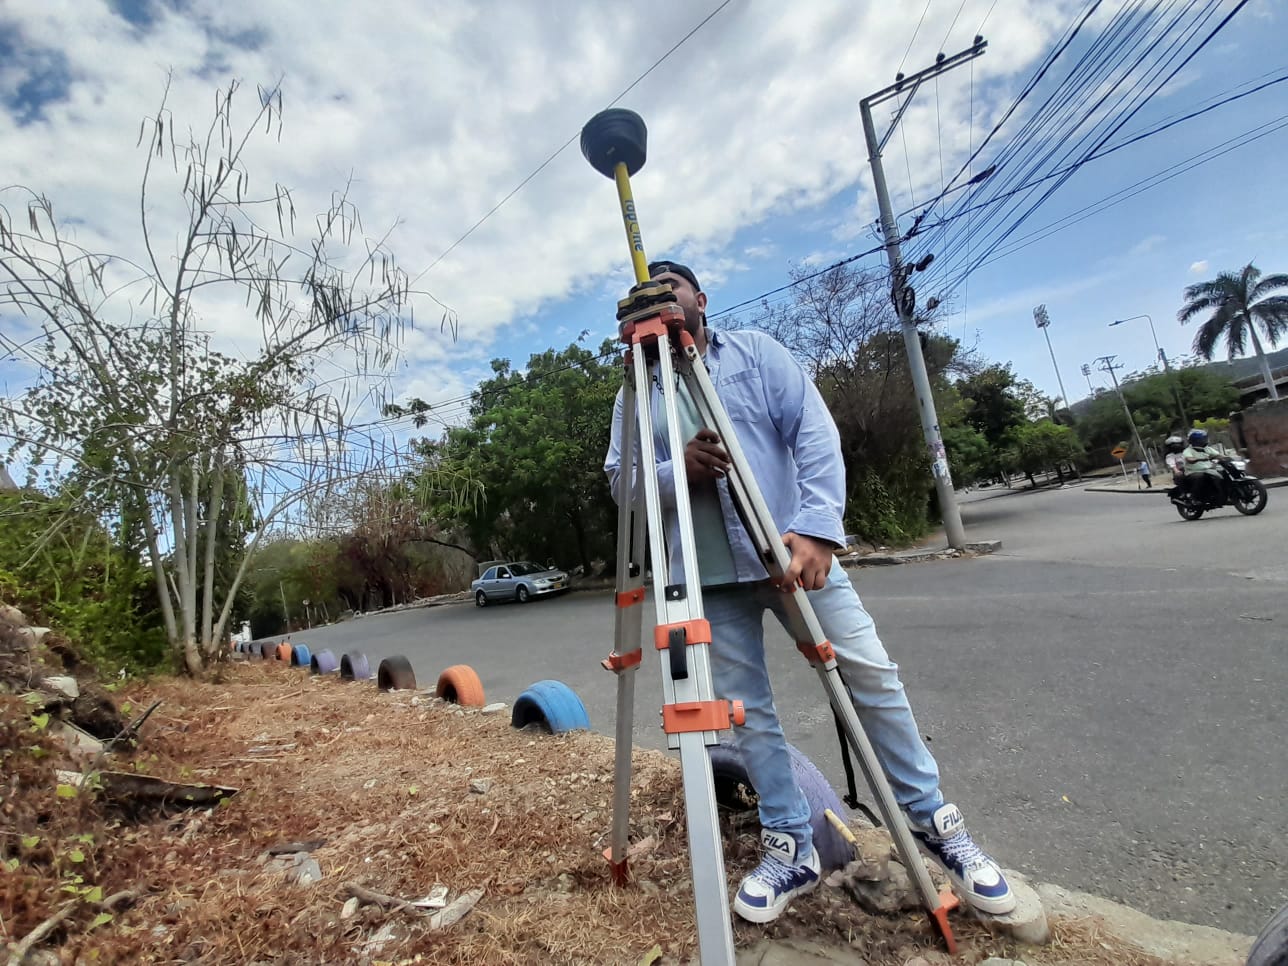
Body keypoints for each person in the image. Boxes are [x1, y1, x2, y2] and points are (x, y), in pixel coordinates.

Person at [604, 260, 1015, 925]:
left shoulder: (759, 354)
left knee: (872, 678)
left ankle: (938, 826)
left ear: (700, 299)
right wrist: (673, 467)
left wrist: (820, 529)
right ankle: (789, 845)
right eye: (647, 292)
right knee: (747, 714)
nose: (660, 296)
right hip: (705, 578)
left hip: (794, 556)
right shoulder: (635, 394)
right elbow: (622, 486)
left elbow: (815, 435)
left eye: (672, 285)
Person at [1182, 428, 1225, 505]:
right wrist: (1200, 459)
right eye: (1202, 439)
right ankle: (1194, 498)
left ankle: (1222, 494)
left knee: (1223, 472)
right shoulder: (1188, 451)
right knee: (1200, 477)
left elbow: (1219, 455)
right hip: (1193, 472)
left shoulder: (1207, 449)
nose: (1205, 440)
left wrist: (1224, 458)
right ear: (1196, 441)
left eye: (1205, 438)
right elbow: (1190, 459)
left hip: (1209, 470)